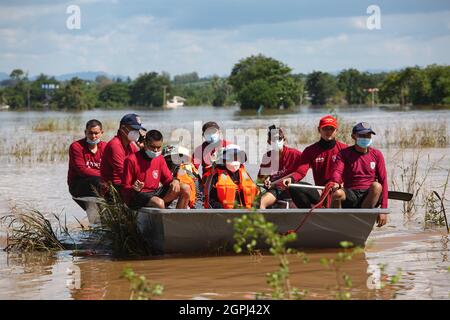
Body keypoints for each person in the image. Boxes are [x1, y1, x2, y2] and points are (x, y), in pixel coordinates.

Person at [330, 122, 388, 227]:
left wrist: (383, 209)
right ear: (353, 136)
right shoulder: (344, 153)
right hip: (350, 193)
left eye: (368, 135)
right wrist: (336, 182)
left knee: (377, 186)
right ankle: (337, 223)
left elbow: (383, 180)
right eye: (362, 135)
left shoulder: (377, 155)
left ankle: (361, 221)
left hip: (368, 195)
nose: (366, 138)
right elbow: (337, 171)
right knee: (337, 194)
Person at [288, 115, 348, 208]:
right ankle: (310, 215)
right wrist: (291, 179)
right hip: (321, 190)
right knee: (294, 187)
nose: (328, 132)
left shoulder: (345, 149)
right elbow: (300, 171)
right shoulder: (310, 150)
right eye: (325, 129)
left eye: (331, 129)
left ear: (336, 130)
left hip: (340, 190)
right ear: (319, 130)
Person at [122, 130, 188, 209]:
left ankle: (179, 219)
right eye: (153, 147)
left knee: (185, 188)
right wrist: (134, 189)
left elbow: (167, 180)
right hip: (137, 195)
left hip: (154, 193)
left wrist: (176, 180)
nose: (156, 150)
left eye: (158, 147)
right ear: (145, 143)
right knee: (159, 203)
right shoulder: (131, 160)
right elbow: (125, 188)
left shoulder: (159, 158)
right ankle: (164, 220)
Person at [258, 125, 302, 209]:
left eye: (279, 139)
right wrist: (266, 180)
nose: (277, 141)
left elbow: (307, 166)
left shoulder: (295, 154)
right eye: (274, 140)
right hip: (275, 189)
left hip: (293, 189)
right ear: (269, 142)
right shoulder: (267, 156)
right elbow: (261, 178)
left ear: (284, 140)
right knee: (260, 202)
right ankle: (262, 221)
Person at [205, 144, 259, 209]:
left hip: (246, 212)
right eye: (231, 157)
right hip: (225, 214)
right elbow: (211, 200)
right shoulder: (216, 176)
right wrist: (223, 211)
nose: (234, 159)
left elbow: (255, 194)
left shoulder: (245, 174)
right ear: (224, 160)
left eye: (237, 157)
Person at [68, 119, 106, 210]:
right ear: (85, 132)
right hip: (78, 184)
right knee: (98, 181)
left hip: (100, 182)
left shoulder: (105, 147)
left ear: (101, 133)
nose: (93, 136)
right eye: (90, 133)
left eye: (96, 133)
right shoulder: (76, 146)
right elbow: (82, 170)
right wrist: (105, 176)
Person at [100, 113, 144, 192]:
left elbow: (140, 164)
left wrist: (143, 149)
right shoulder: (115, 146)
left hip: (124, 184)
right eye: (133, 129)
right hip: (112, 188)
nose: (137, 132)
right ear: (123, 128)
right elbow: (124, 174)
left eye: (138, 130)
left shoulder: (131, 145)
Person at [163, 144, 202, 209]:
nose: (175, 159)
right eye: (170, 157)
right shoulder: (160, 169)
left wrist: (198, 208)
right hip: (163, 205)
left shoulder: (190, 172)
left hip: (186, 206)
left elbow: (199, 194)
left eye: (180, 156)